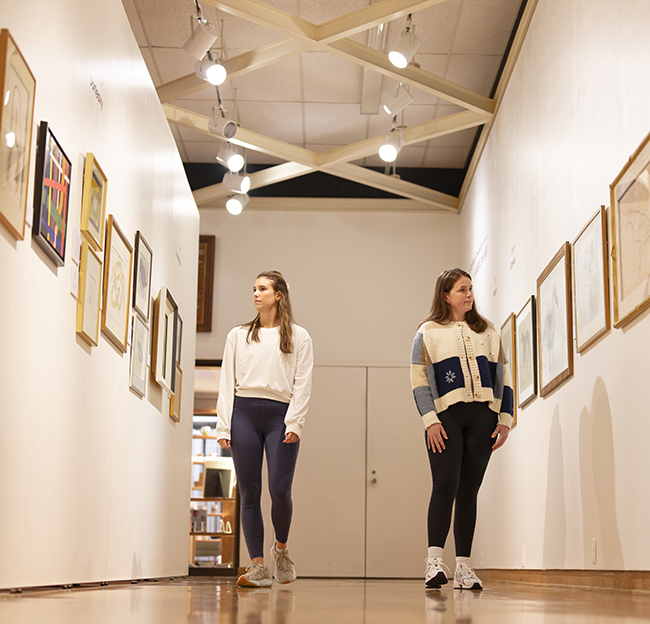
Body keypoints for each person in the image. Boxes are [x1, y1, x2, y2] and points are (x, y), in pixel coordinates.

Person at [410, 268, 513, 591]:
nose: (469, 295)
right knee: (445, 485)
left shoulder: (488, 331)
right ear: (446, 295)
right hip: (446, 418)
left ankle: (464, 568)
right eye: (462, 290)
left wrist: (505, 418)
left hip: (483, 416)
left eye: (470, 289)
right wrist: (430, 420)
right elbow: (419, 379)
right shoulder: (427, 332)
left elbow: (503, 376)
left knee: (469, 489)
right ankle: (434, 563)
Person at [216, 271, 313, 587]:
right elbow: (226, 383)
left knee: (280, 490)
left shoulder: (299, 337)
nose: (256, 294)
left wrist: (295, 421)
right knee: (249, 492)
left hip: (280, 416)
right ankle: (256, 566)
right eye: (254, 288)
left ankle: (281, 551)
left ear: (278, 295)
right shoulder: (238, 335)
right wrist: (223, 426)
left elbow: (303, 384)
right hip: (243, 413)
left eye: (262, 289)